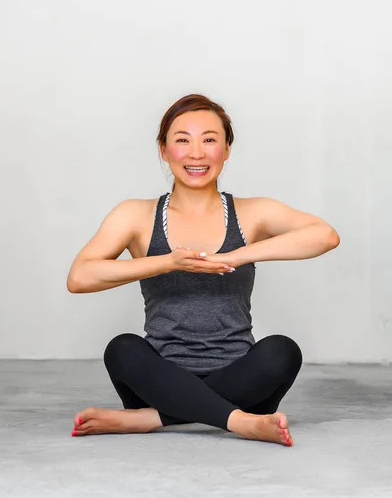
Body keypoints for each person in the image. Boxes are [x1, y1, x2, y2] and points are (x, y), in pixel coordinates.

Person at [67, 94, 340, 447]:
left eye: (209, 139)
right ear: (164, 150)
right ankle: (240, 422)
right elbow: (80, 277)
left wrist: (239, 255)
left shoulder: (252, 212)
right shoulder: (135, 215)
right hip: (159, 381)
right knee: (122, 348)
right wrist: (168, 261)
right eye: (182, 140)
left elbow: (325, 236)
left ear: (226, 149)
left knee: (282, 351)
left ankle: (149, 420)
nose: (196, 153)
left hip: (243, 380)